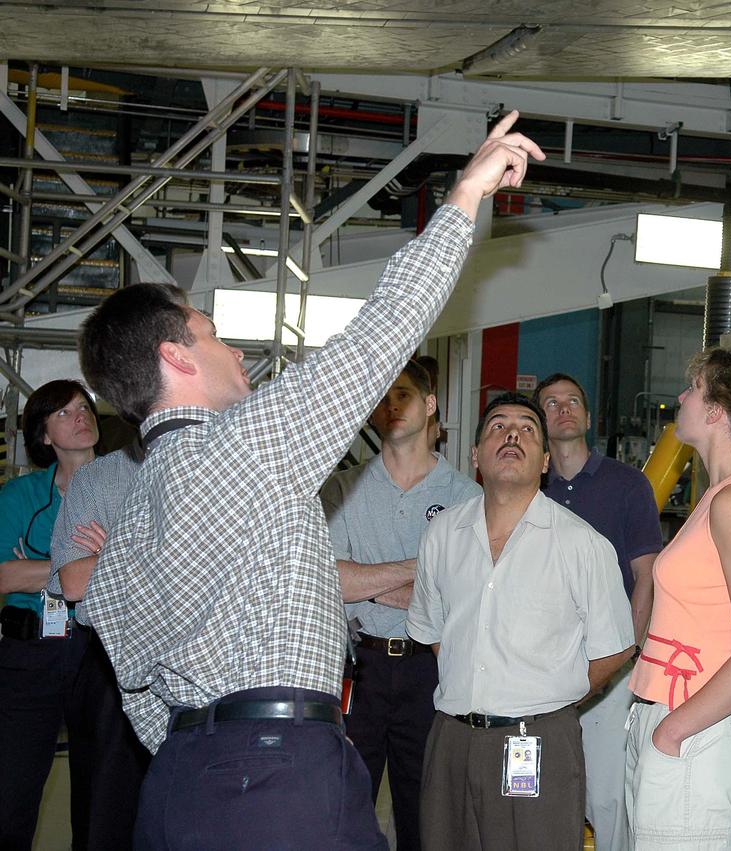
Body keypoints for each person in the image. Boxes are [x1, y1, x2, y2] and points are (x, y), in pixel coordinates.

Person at [75, 111, 543, 848]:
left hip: (179, 783)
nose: (233, 351)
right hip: (276, 776)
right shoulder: (241, 446)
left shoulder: (131, 517)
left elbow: (136, 693)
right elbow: (381, 334)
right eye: (212, 332)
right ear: (176, 356)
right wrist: (464, 196)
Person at [408, 393, 634, 850]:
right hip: (451, 739)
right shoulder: (441, 535)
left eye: (528, 429)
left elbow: (614, 649)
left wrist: (545, 696)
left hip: (539, 741)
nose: (512, 435)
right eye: (497, 426)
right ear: (474, 456)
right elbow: (435, 635)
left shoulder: (581, 544)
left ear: (546, 460)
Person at [627, 348, 731, 850]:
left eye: (692, 388)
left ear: (717, 409)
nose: (680, 397)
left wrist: (672, 732)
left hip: (695, 729)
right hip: (683, 721)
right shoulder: (725, 495)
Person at [320, 358, 481, 850]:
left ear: (430, 404)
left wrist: (366, 581)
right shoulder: (342, 489)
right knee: (346, 802)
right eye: (383, 397)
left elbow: (461, 593)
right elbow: (332, 582)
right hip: (358, 668)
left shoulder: (465, 497)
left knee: (425, 810)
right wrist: (422, 567)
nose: (392, 406)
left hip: (428, 669)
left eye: (404, 394)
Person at [534, 371, 664, 851]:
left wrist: (624, 656)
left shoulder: (628, 486)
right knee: (546, 798)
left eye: (572, 401)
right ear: (539, 419)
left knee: (609, 800)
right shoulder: (529, 490)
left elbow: (647, 576)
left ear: (587, 417)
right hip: (541, 670)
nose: (563, 408)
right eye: (550, 402)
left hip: (611, 667)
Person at [0, 380, 99, 849]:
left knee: (105, 797)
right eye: (64, 413)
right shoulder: (18, 497)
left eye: (84, 407)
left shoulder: (133, 487)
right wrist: (91, 563)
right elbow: (3, 578)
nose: (80, 416)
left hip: (103, 658)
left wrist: (35, 567)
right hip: (29, 657)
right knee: (10, 794)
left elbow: (146, 568)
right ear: (43, 436)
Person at [44, 435, 151, 849]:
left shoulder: (216, 473)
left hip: (194, 659)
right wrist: (149, 559)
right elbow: (72, 581)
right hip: (110, 660)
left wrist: (114, 553)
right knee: (105, 810)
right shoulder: (98, 478)